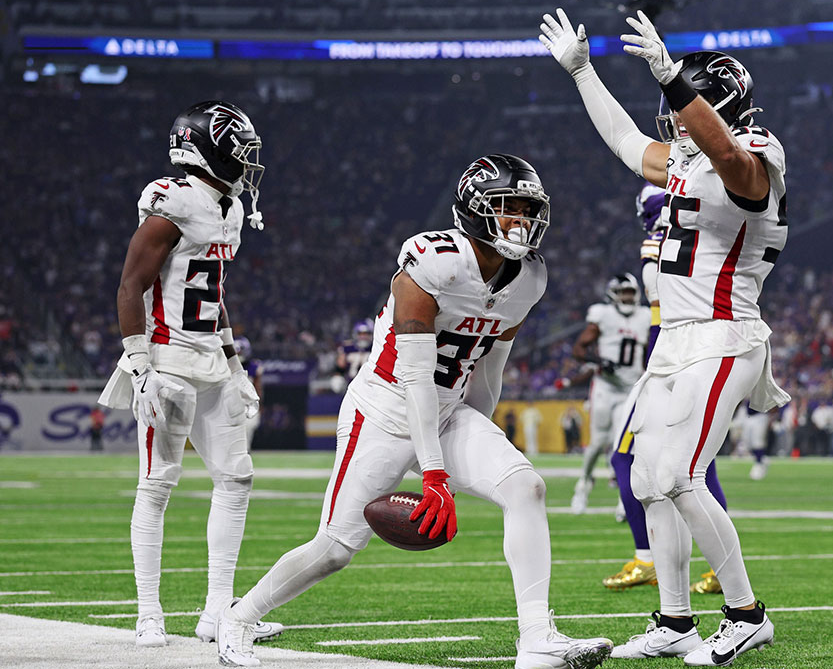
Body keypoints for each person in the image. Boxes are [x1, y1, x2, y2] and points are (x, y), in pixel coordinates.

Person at [216, 154, 612, 668]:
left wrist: (480, 443)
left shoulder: (529, 279)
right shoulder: (432, 261)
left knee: (525, 487)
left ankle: (536, 639)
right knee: (336, 547)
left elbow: (488, 370)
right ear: (474, 210)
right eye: (508, 208)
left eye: (528, 210)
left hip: (448, 410)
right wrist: (436, 474)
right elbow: (415, 377)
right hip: (385, 408)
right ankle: (239, 618)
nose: (522, 222)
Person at [542, 9, 788, 664]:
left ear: (717, 103)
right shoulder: (684, 154)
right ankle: (675, 620)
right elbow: (627, 142)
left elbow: (731, 160)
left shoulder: (759, 155)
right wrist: (584, 74)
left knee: (680, 474)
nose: (675, 118)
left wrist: (673, 76)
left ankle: (745, 612)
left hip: (725, 334)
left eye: (687, 105)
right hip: (677, 339)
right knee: (649, 478)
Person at [97, 101, 281, 648]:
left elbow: (213, 295)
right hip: (166, 360)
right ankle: (148, 612)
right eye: (240, 150)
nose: (247, 163)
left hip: (210, 360)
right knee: (157, 485)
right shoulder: (171, 201)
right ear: (209, 148)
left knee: (237, 478)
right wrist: (138, 364)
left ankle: (217, 613)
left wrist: (233, 359)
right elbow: (130, 286)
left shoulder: (226, 207)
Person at [603, 184, 728, 596]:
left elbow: (663, 316)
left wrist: (656, 368)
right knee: (699, 466)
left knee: (625, 459)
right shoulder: (709, 236)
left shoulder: (661, 242)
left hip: (673, 355)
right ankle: (716, 569)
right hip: (707, 351)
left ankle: (647, 559)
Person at [567, 273, 651, 513]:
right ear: (612, 294)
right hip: (605, 386)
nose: (627, 297)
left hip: (630, 389)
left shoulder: (645, 317)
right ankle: (583, 484)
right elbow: (579, 349)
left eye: (631, 292)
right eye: (623, 292)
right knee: (597, 443)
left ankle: (623, 499)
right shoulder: (602, 315)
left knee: (623, 445)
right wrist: (600, 360)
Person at [233, 336, 263, 448]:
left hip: (247, 403)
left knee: (248, 428)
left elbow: (258, 387)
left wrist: (259, 404)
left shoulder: (254, 366)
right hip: (231, 401)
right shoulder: (227, 365)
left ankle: (245, 451)